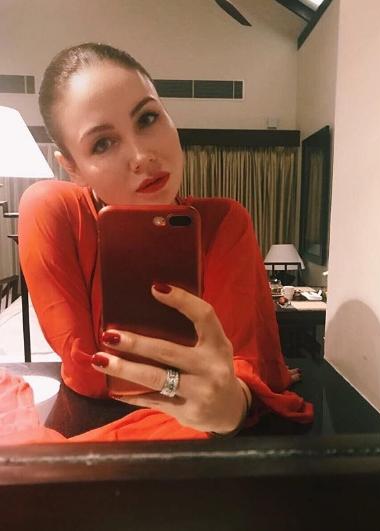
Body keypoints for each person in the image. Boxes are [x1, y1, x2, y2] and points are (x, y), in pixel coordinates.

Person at [18, 43, 313, 440]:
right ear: (72, 166)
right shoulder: (56, 209)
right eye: (102, 143)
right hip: (90, 422)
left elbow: (244, 370)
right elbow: (90, 374)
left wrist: (235, 401)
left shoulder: (223, 223)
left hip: (193, 441)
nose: (142, 155)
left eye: (147, 118)